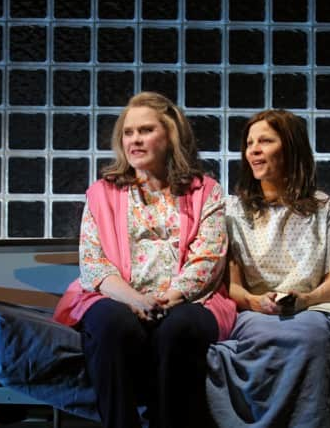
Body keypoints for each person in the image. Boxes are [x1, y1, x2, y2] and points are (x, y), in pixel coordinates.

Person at [206, 109, 330, 427]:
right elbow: (232, 287)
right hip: (254, 312)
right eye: (249, 143)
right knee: (262, 337)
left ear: (290, 147)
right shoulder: (232, 211)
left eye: (265, 141)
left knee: (312, 333)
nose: (253, 150)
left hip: (311, 308)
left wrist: (303, 300)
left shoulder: (325, 208)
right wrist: (257, 303)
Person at [53, 92, 236, 428]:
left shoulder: (205, 190)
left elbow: (209, 257)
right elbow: (93, 263)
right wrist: (136, 300)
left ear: (170, 137)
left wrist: (171, 298)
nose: (134, 139)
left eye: (146, 130)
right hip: (118, 296)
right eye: (128, 132)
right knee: (111, 324)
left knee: (178, 327)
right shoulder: (101, 193)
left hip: (189, 299)